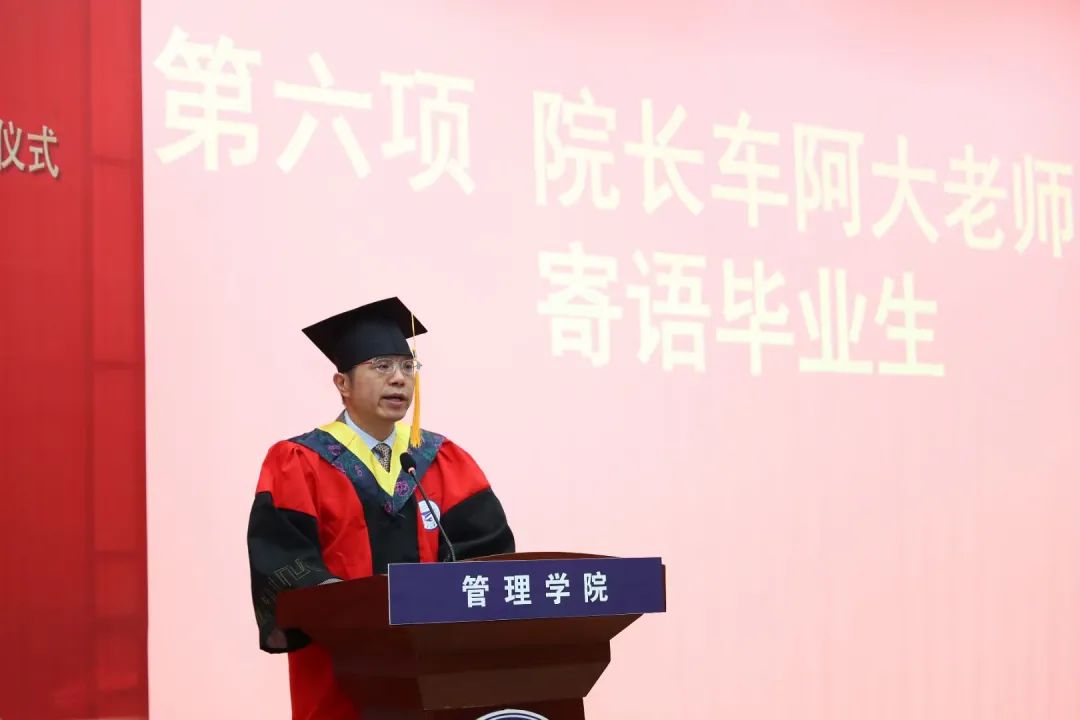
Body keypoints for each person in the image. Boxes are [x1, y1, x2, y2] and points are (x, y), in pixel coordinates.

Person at [246, 297, 515, 719]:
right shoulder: (299, 463)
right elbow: (283, 563)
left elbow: (489, 556)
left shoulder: (442, 460)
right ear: (343, 383)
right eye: (382, 366)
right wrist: (354, 610)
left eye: (408, 367)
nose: (399, 379)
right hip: (341, 675)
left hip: (435, 674)